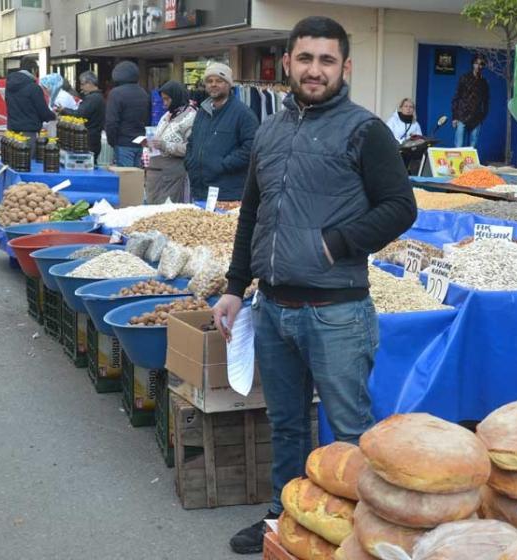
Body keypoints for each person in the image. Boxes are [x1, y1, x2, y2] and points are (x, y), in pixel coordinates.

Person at [213, 16, 417, 555]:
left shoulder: (365, 130)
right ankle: (285, 518)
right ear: (287, 63)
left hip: (337, 313)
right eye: (305, 58)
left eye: (327, 60)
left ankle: (359, 535)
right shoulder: (270, 131)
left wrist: (336, 243)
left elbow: (401, 207)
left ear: (344, 68)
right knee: (286, 425)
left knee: (350, 433)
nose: (315, 69)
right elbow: (252, 211)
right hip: (273, 307)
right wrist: (236, 286)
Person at [184, 63, 258, 202]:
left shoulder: (243, 114)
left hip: (227, 193)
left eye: (219, 81)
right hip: (199, 190)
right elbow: (192, 141)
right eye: (210, 81)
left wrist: (223, 164)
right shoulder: (202, 112)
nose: (213, 84)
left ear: (229, 84)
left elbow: (251, 148)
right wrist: (190, 162)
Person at [143, 81, 196, 204]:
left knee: (168, 211)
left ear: (177, 97)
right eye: (163, 100)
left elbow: (191, 149)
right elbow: (159, 137)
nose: (165, 104)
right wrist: (149, 144)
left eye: (167, 99)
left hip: (173, 175)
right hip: (156, 173)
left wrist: (165, 145)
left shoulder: (191, 117)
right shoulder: (167, 115)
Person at [105, 60, 150, 167]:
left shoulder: (116, 93)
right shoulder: (143, 92)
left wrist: (112, 141)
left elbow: (111, 122)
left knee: (126, 179)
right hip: (139, 141)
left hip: (123, 142)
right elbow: (147, 117)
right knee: (136, 178)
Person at [57, 71, 105, 162]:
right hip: (94, 138)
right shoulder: (98, 97)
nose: (81, 88)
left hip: (88, 140)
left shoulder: (93, 99)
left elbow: (79, 114)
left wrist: (64, 110)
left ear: (90, 83)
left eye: (82, 84)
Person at [5, 70, 55, 146]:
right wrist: (54, 116)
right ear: (32, 70)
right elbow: (43, 112)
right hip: (29, 134)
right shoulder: (34, 88)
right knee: (28, 157)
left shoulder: (9, 87)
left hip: (12, 134)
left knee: (14, 157)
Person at [451, 54, 489, 148]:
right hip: (462, 115)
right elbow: (457, 97)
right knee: (458, 145)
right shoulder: (464, 78)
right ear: (473, 64)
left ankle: (470, 163)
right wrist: (455, 117)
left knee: (472, 146)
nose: (478, 66)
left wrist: (482, 115)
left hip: (476, 117)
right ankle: (457, 163)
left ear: (483, 66)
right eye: (476, 63)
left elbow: (486, 100)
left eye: (481, 64)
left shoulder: (484, 82)